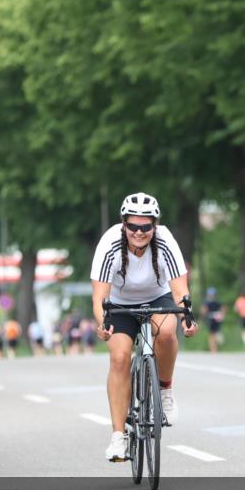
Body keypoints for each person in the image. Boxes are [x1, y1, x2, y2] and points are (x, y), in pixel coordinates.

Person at [91, 192, 197, 462]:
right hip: (119, 304)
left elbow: (179, 289)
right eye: (133, 226)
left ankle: (165, 390)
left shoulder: (165, 241)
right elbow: (99, 296)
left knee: (165, 333)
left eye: (146, 227)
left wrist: (187, 315)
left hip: (157, 297)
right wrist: (102, 323)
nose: (139, 232)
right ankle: (118, 437)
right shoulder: (110, 244)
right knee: (119, 357)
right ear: (123, 224)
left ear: (155, 226)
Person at [203, 287, 225, 353]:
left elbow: (204, 311)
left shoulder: (209, 302)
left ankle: (213, 349)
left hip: (213, 319)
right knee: (213, 334)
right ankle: (213, 349)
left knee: (213, 334)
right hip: (213, 319)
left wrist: (204, 317)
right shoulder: (211, 302)